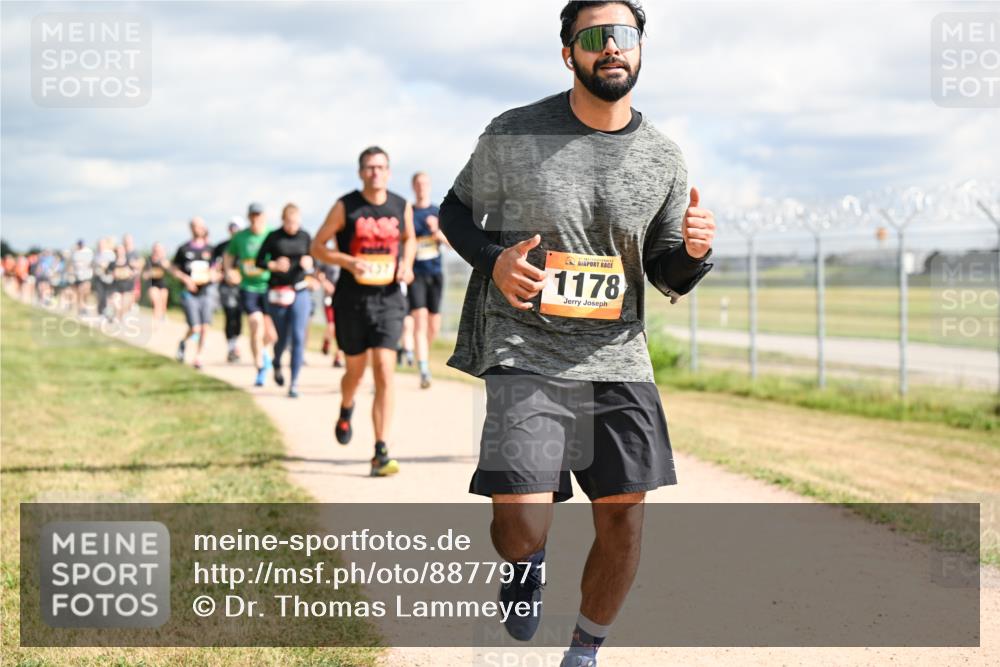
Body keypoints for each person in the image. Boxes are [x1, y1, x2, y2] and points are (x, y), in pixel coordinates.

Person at [438, 3, 716, 665]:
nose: (611, 48)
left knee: (625, 515)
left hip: (617, 355)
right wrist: (493, 260)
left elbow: (664, 268)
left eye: (624, 36)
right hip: (524, 347)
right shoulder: (514, 133)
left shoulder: (663, 157)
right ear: (569, 54)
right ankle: (525, 562)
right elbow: (454, 210)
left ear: (640, 48)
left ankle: (585, 647)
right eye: (595, 38)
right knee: (520, 527)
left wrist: (696, 255)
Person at [311, 146, 416, 477]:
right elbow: (317, 246)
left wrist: (407, 265)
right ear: (360, 173)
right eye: (369, 168)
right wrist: (347, 261)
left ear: (389, 171)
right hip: (352, 300)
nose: (376, 173)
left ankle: (380, 451)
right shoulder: (346, 206)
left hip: (388, 299)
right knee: (354, 373)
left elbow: (410, 239)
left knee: (385, 369)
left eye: (381, 167)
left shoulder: (401, 205)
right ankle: (346, 407)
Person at [256, 203, 314, 398]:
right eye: (289, 223)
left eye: (296, 223)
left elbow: (315, 259)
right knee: (282, 337)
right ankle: (277, 361)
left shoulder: (305, 236)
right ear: (283, 221)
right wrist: (273, 265)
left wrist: (310, 264)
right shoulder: (274, 237)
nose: (293, 227)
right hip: (278, 292)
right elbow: (259, 261)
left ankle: (294, 383)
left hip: (300, 290)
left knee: (298, 336)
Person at [225, 203, 276, 387]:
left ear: (264, 216)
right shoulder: (240, 237)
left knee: (271, 334)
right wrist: (228, 271)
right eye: (252, 215)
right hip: (249, 287)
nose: (255, 218)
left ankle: (265, 352)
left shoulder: (272, 234)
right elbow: (229, 257)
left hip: (269, 287)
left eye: (258, 215)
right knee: (255, 324)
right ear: (248, 217)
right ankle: (260, 366)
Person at [406, 171, 449, 388]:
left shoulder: (437, 212)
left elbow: (451, 243)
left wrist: (437, 232)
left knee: (433, 325)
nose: (421, 187)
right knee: (420, 319)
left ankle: (423, 355)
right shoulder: (409, 213)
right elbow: (403, 242)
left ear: (429, 186)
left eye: (425, 183)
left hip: (435, 273)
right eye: (418, 184)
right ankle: (423, 369)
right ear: (413, 187)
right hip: (416, 274)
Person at [171, 217, 216, 370]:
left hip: (206, 291)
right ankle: (183, 342)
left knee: (205, 327)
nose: (197, 229)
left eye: (200, 226)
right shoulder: (183, 249)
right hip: (190, 294)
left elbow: (217, 268)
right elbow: (174, 268)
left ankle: (198, 357)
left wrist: (213, 275)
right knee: (195, 328)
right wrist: (185, 279)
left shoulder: (211, 249)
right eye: (194, 226)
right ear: (191, 228)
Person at [214, 218, 245, 363]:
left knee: (238, 316)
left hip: (242, 286)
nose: (234, 231)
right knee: (230, 314)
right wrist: (221, 273)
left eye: (236, 228)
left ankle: (235, 344)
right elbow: (213, 266)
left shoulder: (245, 246)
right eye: (232, 228)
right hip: (226, 287)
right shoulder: (221, 247)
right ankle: (231, 348)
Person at [316, 260, 346, 367]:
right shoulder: (329, 258)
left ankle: (338, 357)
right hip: (330, 298)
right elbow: (318, 273)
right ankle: (327, 341)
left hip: (344, 297)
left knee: (342, 328)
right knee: (331, 326)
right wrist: (326, 284)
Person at [107, 244, 138, 322]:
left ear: (124, 251)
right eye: (118, 250)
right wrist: (112, 274)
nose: (120, 252)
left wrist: (131, 273)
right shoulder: (112, 264)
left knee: (124, 306)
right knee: (115, 303)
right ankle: (114, 317)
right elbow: (107, 273)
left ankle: (119, 318)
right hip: (116, 287)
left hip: (127, 287)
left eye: (121, 250)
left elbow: (136, 272)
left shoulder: (130, 262)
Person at [143, 242, 170, 322]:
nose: (157, 251)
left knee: (163, 305)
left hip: (162, 285)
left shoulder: (164, 261)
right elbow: (144, 275)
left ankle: (162, 317)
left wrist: (163, 261)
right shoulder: (148, 260)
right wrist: (150, 273)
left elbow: (170, 270)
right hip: (152, 284)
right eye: (156, 249)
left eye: (159, 250)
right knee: (156, 303)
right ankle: (155, 321)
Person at [69, 239, 94, 315]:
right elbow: (72, 264)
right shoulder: (75, 253)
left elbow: (91, 263)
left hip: (87, 275)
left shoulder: (88, 252)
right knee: (80, 292)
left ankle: (84, 306)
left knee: (86, 291)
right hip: (78, 276)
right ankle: (81, 308)